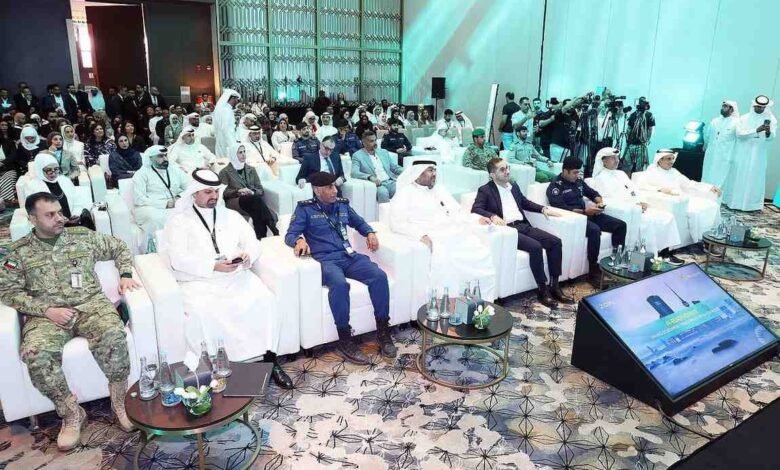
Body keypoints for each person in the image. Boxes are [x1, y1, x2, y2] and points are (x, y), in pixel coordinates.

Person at [0, 192, 139, 450]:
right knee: (35, 353)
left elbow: (119, 246)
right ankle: (71, 413)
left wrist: (126, 274)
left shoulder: (82, 237)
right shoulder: (18, 253)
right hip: (47, 317)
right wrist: (46, 309)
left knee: (113, 333)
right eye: (50, 215)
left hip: (90, 305)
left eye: (59, 212)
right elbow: (8, 292)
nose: (59, 218)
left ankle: (119, 402)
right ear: (32, 218)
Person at [162, 169, 291, 388]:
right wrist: (213, 266)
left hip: (235, 276)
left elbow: (252, 242)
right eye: (207, 192)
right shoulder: (179, 223)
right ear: (194, 194)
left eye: (215, 191)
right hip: (199, 281)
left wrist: (247, 255)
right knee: (203, 313)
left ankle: (270, 361)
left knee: (265, 300)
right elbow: (177, 259)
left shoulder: (231, 216)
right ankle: (216, 371)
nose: (213, 196)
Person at [285, 171, 395, 364]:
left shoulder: (342, 205)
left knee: (378, 276)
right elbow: (290, 234)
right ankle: (345, 339)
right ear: (317, 190)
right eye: (329, 187)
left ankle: (383, 331)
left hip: (348, 256)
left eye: (335, 186)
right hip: (325, 261)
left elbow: (359, 222)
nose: (334, 190)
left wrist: (369, 233)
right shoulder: (305, 209)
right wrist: (299, 240)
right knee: (340, 285)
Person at [389, 160, 497, 299]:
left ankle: (478, 302)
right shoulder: (406, 193)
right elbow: (397, 222)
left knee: (480, 254)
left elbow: (456, 212)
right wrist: (420, 235)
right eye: (430, 170)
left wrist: (476, 219)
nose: (434, 174)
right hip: (432, 234)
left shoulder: (439, 189)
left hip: (452, 231)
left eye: (435, 170)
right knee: (447, 260)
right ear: (417, 173)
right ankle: (449, 303)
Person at [472, 158, 572, 307]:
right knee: (535, 247)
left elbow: (525, 203)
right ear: (492, 174)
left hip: (524, 225)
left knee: (555, 242)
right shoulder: (486, 190)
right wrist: (492, 216)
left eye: (507, 168)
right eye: (502, 169)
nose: (507, 171)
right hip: (509, 230)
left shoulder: (514, 186)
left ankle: (555, 286)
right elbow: (476, 209)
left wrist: (542, 209)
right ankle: (542, 290)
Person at [547, 157, 627, 285]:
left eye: (578, 172)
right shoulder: (555, 187)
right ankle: (593, 270)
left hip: (589, 214)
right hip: (575, 220)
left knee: (620, 225)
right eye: (574, 172)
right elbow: (561, 209)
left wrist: (599, 202)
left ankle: (616, 260)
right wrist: (585, 212)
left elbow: (593, 193)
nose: (577, 175)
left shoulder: (579, 182)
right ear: (565, 171)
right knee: (595, 231)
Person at [590, 147, 681, 257]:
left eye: (617, 158)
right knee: (649, 222)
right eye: (613, 158)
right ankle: (648, 256)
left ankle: (666, 252)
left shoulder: (620, 174)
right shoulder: (600, 178)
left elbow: (634, 190)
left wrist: (642, 201)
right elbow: (610, 199)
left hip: (637, 206)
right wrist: (634, 205)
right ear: (603, 161)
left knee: (667, 216)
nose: (617, 161)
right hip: (628, 211)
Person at [639, 149, 721, 242]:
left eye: (672, 159)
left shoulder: (674, 171)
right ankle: (701, 240)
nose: (671, 162)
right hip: (670, 201)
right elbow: (641, 186)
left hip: (683, 197)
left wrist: (708, 187)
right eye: (668, 159)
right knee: (695, 212)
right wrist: (660, 189)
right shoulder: (651, 172)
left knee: (711, 205)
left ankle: (713, 238)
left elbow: (688, 183)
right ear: (660, 159)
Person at [727, 95, 777, 211]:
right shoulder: (744, 118)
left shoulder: (772, 119)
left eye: (762, 107)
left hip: (759, 153)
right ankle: (736, 203)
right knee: (740, 176)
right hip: (743, 152)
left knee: (755, 178)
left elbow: (771, 138)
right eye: (758, 107)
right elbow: (739, 134)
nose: (760, 109)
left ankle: (752, 205)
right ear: (753, 105)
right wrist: (756, 130)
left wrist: (768, 132)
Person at [219, 143, 278, 239]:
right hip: (235, 201)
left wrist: (252, 192)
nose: (243, 155)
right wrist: (238, 191)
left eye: (244, 152)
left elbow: (260, 189)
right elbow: (223, 192)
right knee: (255, 202)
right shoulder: (224, 172)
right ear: (233, 154)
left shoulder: (251, 169)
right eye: (240, 152)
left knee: (255, 206)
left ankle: (261, 237)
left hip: (253, 201)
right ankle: (272, 227)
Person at [24, 154, 95, 229]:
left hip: (72, 224)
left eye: (56, 169)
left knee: (87, 235)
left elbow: (76, 200)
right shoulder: (32, 186)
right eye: (49, 170)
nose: (53, 173)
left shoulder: (64, 180)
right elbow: (35, 212)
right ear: (39, 169)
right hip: (50, 228)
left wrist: (76, 214)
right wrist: (59, 219)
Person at [132, 146, 188, 237]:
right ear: (151, 158)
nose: (165, 159)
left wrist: (179, 197)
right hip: (150, 206)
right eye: (160, 156)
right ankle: (160, 245)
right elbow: (139, 199)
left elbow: (190, 186)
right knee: (157, 218)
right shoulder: (141, 174)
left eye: (166, 155)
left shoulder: (174, 169)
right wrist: (166, 204)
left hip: (175, 203)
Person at [702, 101, 740, 199]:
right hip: (711, 152)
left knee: (720, 175)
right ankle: (704, 193)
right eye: (723, 106)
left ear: (732, 109)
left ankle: (717, 197)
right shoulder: (715, 120)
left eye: (726, 106)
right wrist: (705, 146)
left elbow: (739, 139)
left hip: (726, 155)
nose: (723, 108)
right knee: (707, 172)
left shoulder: (736, 122)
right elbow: (708, 135)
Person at [351, 131, 403, 203]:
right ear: (363, 143)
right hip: (377, 185)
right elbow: (354, 172)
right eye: (371, 141)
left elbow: (394, 167)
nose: (375, 143)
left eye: (375, 140)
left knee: (403, 188)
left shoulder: (383, 152)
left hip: (390, 181)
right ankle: (385, 214)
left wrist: (408, 171)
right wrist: (370, 177)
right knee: (383, 193)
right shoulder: (357, 156)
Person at [623, 98, 655, 177]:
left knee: (639, 168)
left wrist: (648, 139)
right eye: (641, 102)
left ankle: (637, 184)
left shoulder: (649, 115)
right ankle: (625, 182)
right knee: (626, 165)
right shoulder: (633, 114)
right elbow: (629, 128)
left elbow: (651, 128)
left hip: (641, 144)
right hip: (631, 144)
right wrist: (628, 139)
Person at [213, 89, 241, 158]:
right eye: (237, 99)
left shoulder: (222, 109)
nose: (237, 102)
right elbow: (226, 129)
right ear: (233, 98)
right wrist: (232, 145)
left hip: (221, 139)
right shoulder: (226, 110)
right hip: (227, 141)